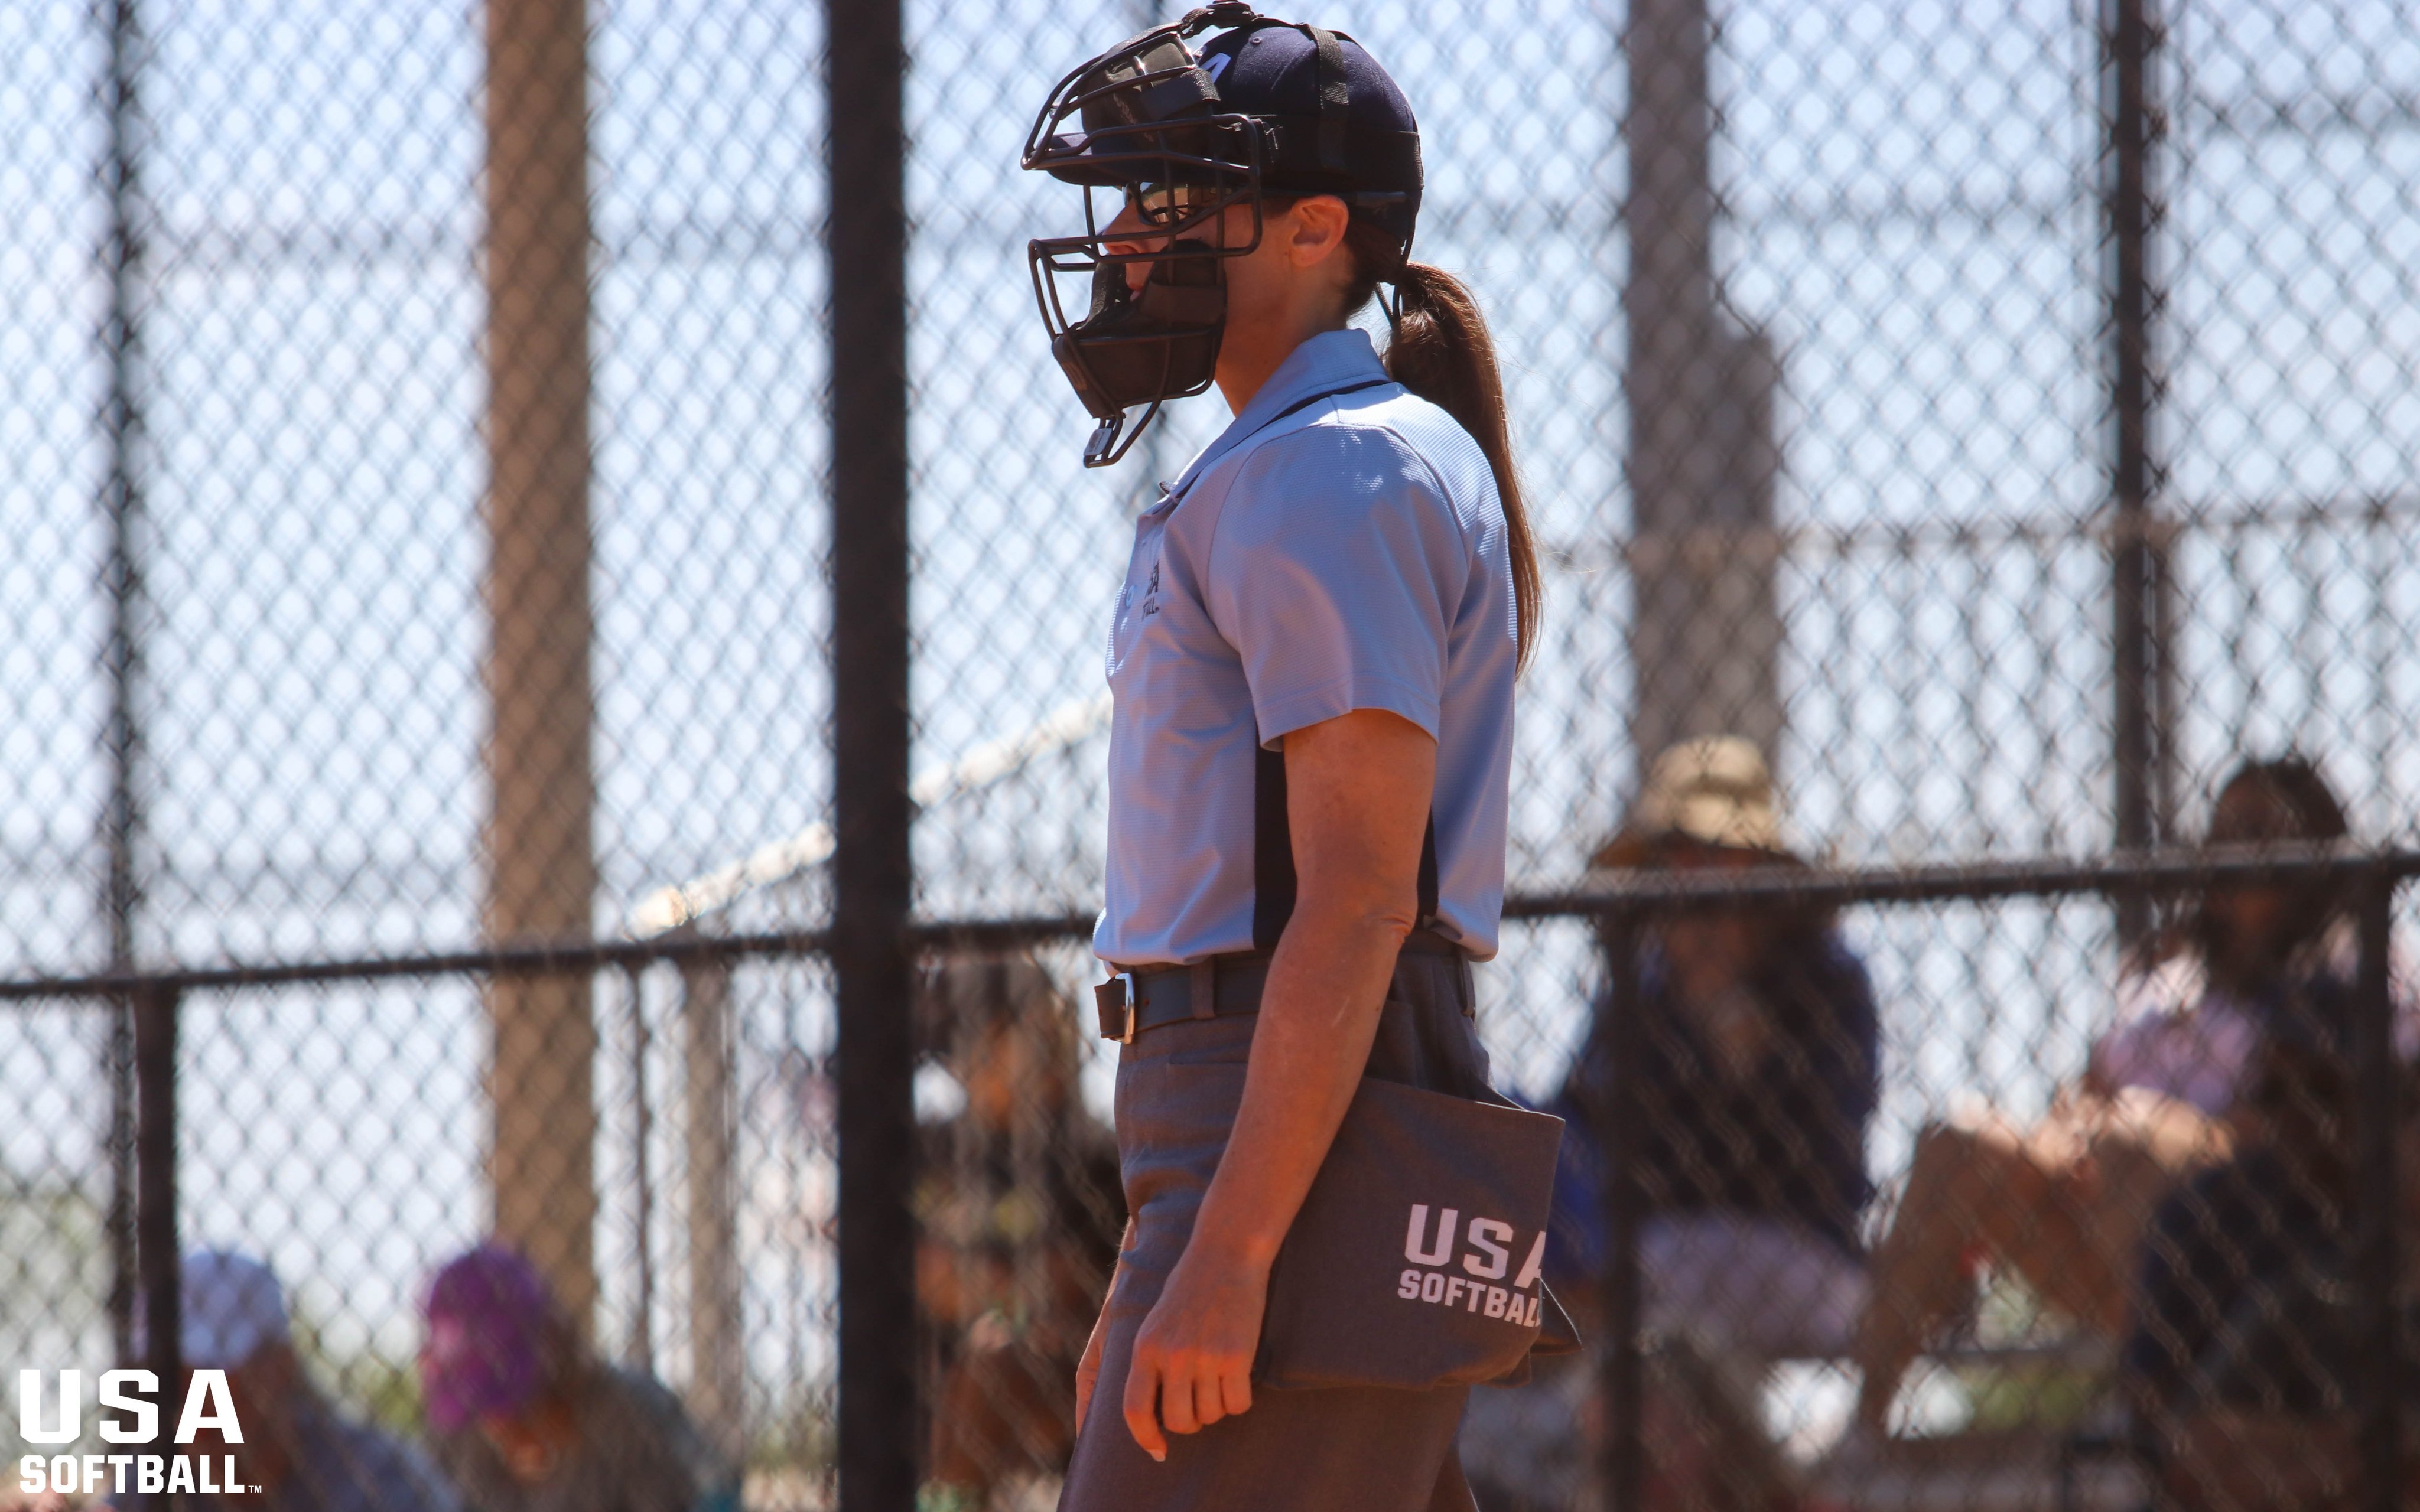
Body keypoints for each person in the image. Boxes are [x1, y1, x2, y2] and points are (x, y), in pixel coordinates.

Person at [1022, 6, 1543, 1507]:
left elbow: (1363, 893)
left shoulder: (1337, 464)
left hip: (1296, 1092)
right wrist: (1170, 1241)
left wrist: (1232, 1246)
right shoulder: (1299, 459)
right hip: (1262, 1100)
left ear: (1316, 228)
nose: (1124, 238)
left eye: (1171, 196)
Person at [1848, 757, 2363, 1440]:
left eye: (2261, 826)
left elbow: (2307, 1128)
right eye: (2224, 827)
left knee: (2131, 1141)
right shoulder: (2167, 975)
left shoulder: (2344, 966)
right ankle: (1863, 1433)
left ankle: (2155, 1413)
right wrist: (2084, 1128)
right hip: (2096, 1203)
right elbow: (2085, 1091)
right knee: (1959, 1139)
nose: (2236, 844)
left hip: (2236, 1228)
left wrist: (2132, 1130)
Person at [1460, 737, 1879, 1512]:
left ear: (1759, 869)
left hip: (1798, 1252)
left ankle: (1586, 1438)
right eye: (1676, 854)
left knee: (1643, 1273)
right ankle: (1529, 1433)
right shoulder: (1640, 982)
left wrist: (1742, 1047)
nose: (1693, 879)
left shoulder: (1824, 977)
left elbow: (1827, 1153)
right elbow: (1577, 1131)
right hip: (1654, 1253)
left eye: (1717, 855)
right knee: (1547, 1266)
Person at [2120, 1038, 2376, 1509]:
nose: (2298, 1116)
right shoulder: (2208, 1210)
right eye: (2274, 1094)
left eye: (2323, 1090)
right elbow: (2155, 1405)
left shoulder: (2386, 1207)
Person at [913, 956, 1124, 1507]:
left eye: (984, 1039)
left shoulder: (1091, 1154)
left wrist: (981, 1288)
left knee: (992, 1357)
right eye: (955, 1049)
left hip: (1057, 1369)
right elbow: (917, 1276)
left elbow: (1065, 1291)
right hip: (937, 1366)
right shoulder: (934, 1146)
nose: (962, 1065)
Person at [80, 1249, 460, 1512]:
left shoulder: (377, 1478)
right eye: (172, 1383)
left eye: (212, 1378)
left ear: (280, 1367)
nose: (192, 1407)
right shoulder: (152, 1481)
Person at [417, 1245, 736, 1512]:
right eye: (480, 1403)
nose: (499, 1420)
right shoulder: (456, 1445)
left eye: (510, 1399)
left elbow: (714, 1499)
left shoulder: (630, 1416)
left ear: (554, 1349)